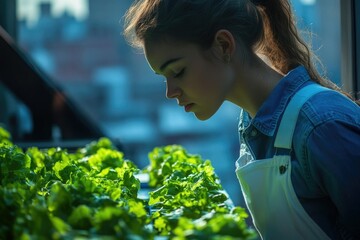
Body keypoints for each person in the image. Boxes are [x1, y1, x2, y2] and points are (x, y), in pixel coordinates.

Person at [123, 0, 360, 239]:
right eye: (164, 77)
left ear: (224, 46)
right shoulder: (251, 124)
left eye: (177, 72)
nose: (170, 92)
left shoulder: (321, 126)